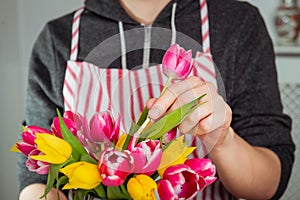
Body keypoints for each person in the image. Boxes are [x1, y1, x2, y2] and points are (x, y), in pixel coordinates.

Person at [18, 0, 295, 199]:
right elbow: (36, 177)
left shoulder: (237, 24)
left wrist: (222, 139)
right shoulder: (58, 38)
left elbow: (268, 186)